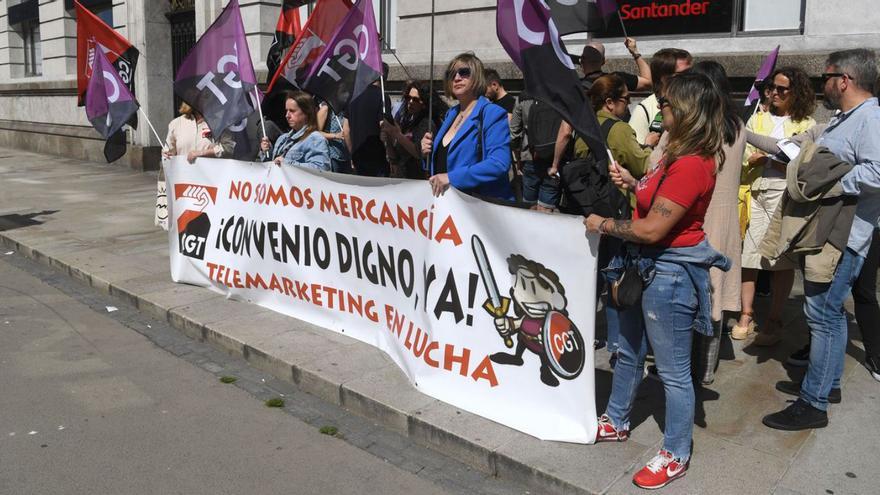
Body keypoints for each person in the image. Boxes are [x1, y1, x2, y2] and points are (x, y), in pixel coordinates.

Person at [584, 72, 730, 490]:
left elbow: (651, 230)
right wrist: (633, 184)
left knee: (672, 371)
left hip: (668, 275)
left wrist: (604, 223)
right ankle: (616, 420)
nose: (657, 107)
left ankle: (676, 452)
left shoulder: (691, 162)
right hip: (645, 266)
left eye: (664, 102)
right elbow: (655, 203)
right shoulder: (671, 154)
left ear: (684, 109)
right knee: (627, 352)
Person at [763, 49, 880, 430]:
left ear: (844, 80)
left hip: (845, 234)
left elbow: (877, 172)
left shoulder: (871, 118)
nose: (821, 86)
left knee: (822, 315)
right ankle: (827, 385)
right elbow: (792, 149)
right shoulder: (842, 119)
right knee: (828, 313)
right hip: (829, 230)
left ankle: (813, 404)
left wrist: (827, 186)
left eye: (824, 78)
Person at [732, 67, 816, 346]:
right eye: (773, 88)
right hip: (757, 192)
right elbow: (747, 157)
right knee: (750, 256)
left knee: (782, 260)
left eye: (782, 89)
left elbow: (801, 164)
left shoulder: (807, 125)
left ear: (797, 93)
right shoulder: (757, 119)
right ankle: (747, 314)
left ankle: (775, 318)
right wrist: (773, 157)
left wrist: (767, 157)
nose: (775, 93)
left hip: (786, 196)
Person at [420, 53, 513, 200]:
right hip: (448, 205)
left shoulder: (492, 113)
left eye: (464, 72)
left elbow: (499, 163)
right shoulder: (451, 114)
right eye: (451, 74)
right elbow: (444, 161)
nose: (456, 78)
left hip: (477, 207)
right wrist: (427, 154)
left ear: (476, 77)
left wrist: (451, 177)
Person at [381, 80, 445, 179]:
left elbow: (419, 153)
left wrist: (397, 134)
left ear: (424, 103)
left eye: (415, 99)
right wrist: (389, 138)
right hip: (403, 179)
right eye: (408, 98)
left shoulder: (428, 123)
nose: (410, 102)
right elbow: (396, 156)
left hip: (418, 180)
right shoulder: (406, 121)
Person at [629, 48, 693, 145]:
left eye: (692, 72)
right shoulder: (644, 109)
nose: (692, 78)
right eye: (683, 75)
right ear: (662, 77)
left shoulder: (700, 101)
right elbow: (635, 154)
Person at [510, 91, 561, 211]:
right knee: (547, 207)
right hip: (554, 157)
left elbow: (514, 133)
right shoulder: (560, 95)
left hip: (530, 156)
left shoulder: (523, 98)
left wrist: (518, 159)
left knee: (529, 206)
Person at [260, 91, 331, 170]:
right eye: (286, 110)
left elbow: (322, 169)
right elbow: (270, 168)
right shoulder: (282, 139)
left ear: (306, 112)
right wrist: (267, 151)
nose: (287, 115)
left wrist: (287, 164)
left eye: (292, 111)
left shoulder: (315, 139)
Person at [349, 63, 393, 177]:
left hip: (357, 156)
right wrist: (392, 156)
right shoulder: (383, 97)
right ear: (385, 78)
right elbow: (385, 127)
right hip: (378, 159)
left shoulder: (353, 96)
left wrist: (351, 155)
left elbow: (346, 129)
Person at [163, 102, 235, 164]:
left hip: (210, 177)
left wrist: (202, 153)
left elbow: (228, 148)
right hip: (184, 177)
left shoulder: (220, 122)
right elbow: (169, 153)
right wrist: (166, 155)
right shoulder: (176, 123)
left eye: (207, 96)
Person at [579, 38, 652, 92]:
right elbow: (648, 82)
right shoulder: (617, 79)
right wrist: (635, 52)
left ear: (581, 61)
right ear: (603, 61)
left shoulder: (576, 85)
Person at [316, 99, 351, 173]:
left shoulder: (347, 108)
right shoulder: (326, 108)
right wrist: (335, 135)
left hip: (346, 156)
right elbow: (315, 133)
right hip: (332, 157)